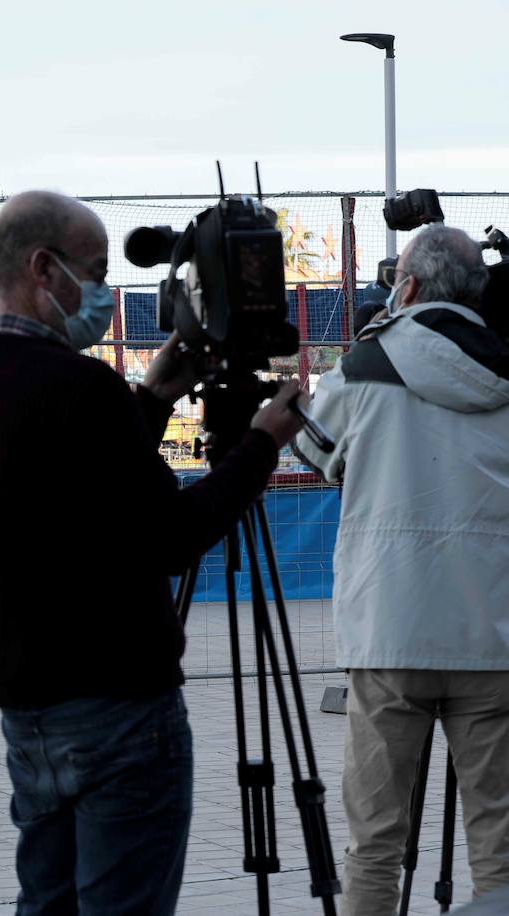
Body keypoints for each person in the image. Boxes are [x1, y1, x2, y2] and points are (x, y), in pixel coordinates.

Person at [0, 191, 308, 915]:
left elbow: (68, 486)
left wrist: (155, 396)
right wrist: (261, 444)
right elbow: (168, 535)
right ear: (45, 269)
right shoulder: (81, 389)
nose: (103, 296)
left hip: (29, 715)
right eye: (95, 273)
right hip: (122, 713)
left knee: (49, 903)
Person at [293, 225, 509, 916]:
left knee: (377, 841)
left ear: (406, 286)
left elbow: (307, 445)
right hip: (495, 631)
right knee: (501, 845)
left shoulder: (361, 367)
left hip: (388, 628)